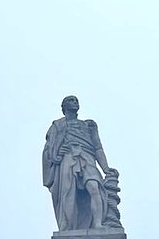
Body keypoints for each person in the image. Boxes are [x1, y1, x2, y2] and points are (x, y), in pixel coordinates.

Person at [42, 96, 122, 230]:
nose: (75, 102)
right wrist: (57, 153)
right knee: (68, 193)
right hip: (68, 158)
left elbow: (98, 148)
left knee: (94, 187)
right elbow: (48, 149)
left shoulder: (89, 125)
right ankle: (67, 227)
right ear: (63, 107)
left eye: (76, 100)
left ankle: (97, 223)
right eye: (71, 100)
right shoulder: (58, 126)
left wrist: (105, 168)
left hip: (87, 157)